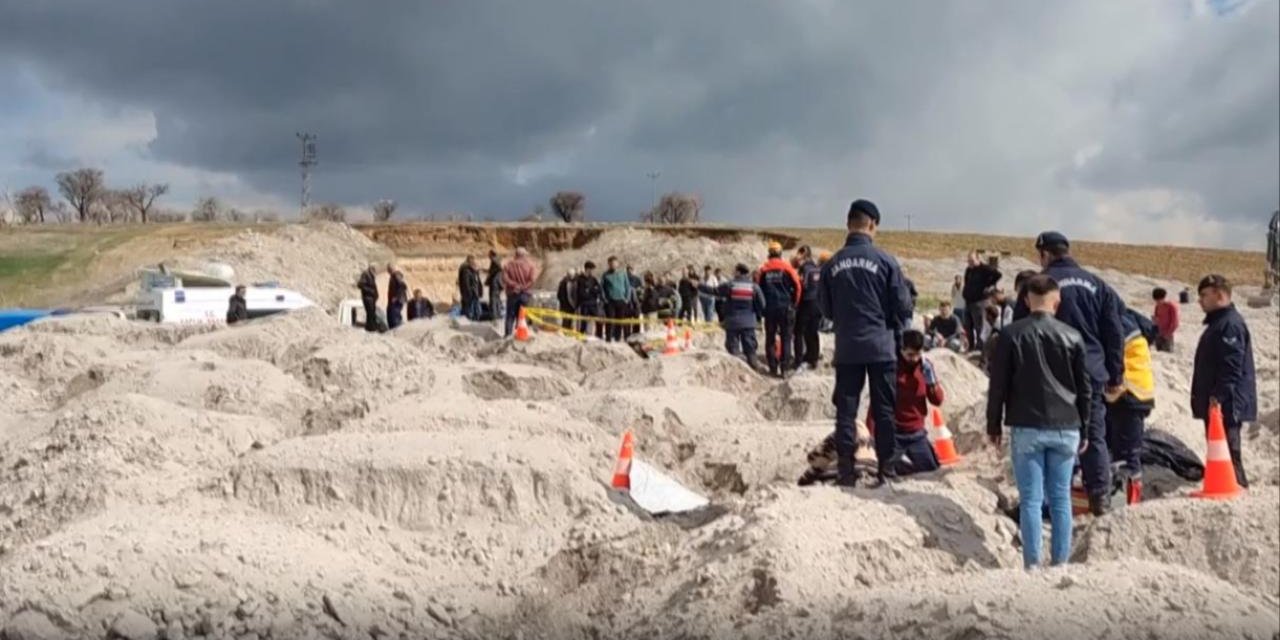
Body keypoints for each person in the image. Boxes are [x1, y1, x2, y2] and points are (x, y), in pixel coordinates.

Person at [1015, 232, 1124, 515]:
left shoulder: (1037, 286)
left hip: (1050, 372)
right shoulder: (1098, 285)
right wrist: (1116, 375)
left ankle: (1045, 502)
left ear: (1044, 255)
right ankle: (1100, 498)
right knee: (1094, 435)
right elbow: (1114, 333)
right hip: (1091, 369)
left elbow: (1018, 330)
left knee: (1047, 435)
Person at [987, 275, 1090, 569]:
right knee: (1061, 499)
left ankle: (1032, 564)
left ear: (1025, 299)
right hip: (1066, 425)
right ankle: (1060, 563)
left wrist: (993, 425)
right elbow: (1085, 389)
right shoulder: (1073, 336)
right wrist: (1087, 425)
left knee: (1031, 499)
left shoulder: (1011, 335)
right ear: (1057, 301)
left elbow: (998, 386)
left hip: (1027, 424)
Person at [819, 199, 913, 486]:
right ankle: (887, 470)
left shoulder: (832, 264)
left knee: (846, 411)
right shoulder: (885, 261)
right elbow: (903, 305)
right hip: (881, 346)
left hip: (848, 346)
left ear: (848, 223)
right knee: (884, 410)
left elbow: (825, 309)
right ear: (872, 225)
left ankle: (846, 471)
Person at [1191, 275, 1256, 488]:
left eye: (1203, 295)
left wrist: (1218, 397)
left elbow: (1231, 366)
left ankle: (1236, 486)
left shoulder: (1229, 325)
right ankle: (1228, 486)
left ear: (1219, 295)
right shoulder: (1219, 324)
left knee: (1229, 449)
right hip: (1219, 401)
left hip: (1227, 402)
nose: (1200, 300)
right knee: (1222, 449)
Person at [1106, 307, 1156, 502]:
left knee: (1125, 456)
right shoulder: (1130, 319)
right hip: (1137, 394)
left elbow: (1113, 360)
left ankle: (1127, 504)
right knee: (1125, 453)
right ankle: (1126, 499)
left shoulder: (1115, 325)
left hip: (1127, 394)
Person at [880, 329, 945, 475]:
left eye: (918, 354)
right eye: (910, 355)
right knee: (883, 469)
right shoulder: (891, 368)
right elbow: (879, 403)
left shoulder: (925, 367)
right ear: (901, 350)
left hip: (916, 433)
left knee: (931, 469)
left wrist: (932, 382)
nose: (914, 359)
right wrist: (872, 434)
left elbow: (937, 401)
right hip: (894, 433)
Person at [701, 263, 765, 370]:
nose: (733, 273)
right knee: (750, 350)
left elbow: (714, 291)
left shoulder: (730, 285)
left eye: (735, 271)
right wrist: (755, 315)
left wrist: (699, 286)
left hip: (732, 322)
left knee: (734, 351)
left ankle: (739, 372)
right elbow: (762, 304)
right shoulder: (754, 286)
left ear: (739, 272)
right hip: (749, 323)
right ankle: (754, 372)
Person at [758, 241, 802, 377]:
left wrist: (762, 308)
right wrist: (794, 304)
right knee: (786, 339)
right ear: (781, 253)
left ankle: (772, 367)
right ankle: (784, 369)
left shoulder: (763, 270)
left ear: (769, 254)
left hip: (770, 309)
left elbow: (758, 290)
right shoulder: (787, 268)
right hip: (786, 308)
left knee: (770, 338)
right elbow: (798, 287)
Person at [962, 252, 1002, 350]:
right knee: (968, 325)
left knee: (979, 325)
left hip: (979, 301)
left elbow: (998, 275)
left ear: (978, 259)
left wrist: (988, 285)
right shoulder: (969, 270)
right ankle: (970, 346)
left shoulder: (984, 268)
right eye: (969, 261)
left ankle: (980, 348)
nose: (970, 263)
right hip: (968, 301)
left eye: (972, 261)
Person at [793, 246, 822, 371]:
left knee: (799, 331)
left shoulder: (804, 269)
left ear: (804, 255)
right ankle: (813, 357)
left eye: (799, 254)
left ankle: (798, 360)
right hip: (818, 304)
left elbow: (801, 286)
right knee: (812, 331)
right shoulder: (817, 269)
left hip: (806, 302)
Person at [501, 247, 538, 338]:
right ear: (524, 255)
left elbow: (505, 279)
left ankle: (508, 336)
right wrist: (523, 287)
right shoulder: (530, 265)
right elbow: (532, 280)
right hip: (525, 294)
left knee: (510, 316)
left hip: (512, 294)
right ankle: (520, 335)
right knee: (522, 317)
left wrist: (515, 285)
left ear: (516, 255)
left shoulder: (508, 265)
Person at [601, 256, 633, 342]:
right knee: (610, 321)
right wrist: (605, 300)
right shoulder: (605, 275)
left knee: (620, 321)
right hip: (610, 301)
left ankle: (617, 338)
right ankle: (608, 338)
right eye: (611, 264)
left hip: (621, 300)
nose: (613, 265)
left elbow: (628, 286)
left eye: (615, 263)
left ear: (617, 264)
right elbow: (602, 288)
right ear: (609, 264)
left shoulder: (623, 273)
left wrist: (627, 298)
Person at [575, 262, 605, 339]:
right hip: (584, 304)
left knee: (599, 321)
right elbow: (581, 293)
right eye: (592, 269)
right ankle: (580, 337)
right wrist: (590, 291)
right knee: (583, 323)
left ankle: (599, 336)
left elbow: (598, 289)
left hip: (593, 304)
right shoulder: (580, 279)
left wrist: (590, 290)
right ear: (587, 269)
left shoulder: (593, 279)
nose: (593, 271)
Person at [1152, 287, 1179, 352]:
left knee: (1167, 352)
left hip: (1167, 335)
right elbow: (1156, 319)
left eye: (1159, 300)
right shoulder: (1157, 306)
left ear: (1163, 298)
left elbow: (1175, 322)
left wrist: (1168, 334)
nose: (1157, 302)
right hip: (1158, 334)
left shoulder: (1171, 306)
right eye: (1156, 300)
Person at [457, 256, 483, 322]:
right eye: (473, 262)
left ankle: (474, 320)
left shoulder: (474, 272)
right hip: (470, 294)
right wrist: (470, 292)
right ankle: (468, 320)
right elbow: (466, 284)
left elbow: (478, 282)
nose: (475, 264)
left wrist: (480, 291)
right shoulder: (467, 271)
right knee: (469, 309)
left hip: (474, 293)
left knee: (476, 310)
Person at [357, 264, 380, 332]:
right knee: (370, 314)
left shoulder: (371, 275)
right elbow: (360, 285)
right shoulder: (365, 274)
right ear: (371, 268)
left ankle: (371, 328)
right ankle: (371, 329)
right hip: (368, 297)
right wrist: (371, 291)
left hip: (371, 298)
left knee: (372, 314)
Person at [386, 266, 408, 330]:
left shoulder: (396, 275)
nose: (388, 271)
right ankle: (393, 329)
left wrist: (396, 297)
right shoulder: (393, 276)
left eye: (389, 269)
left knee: (395, 314)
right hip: (394, 299)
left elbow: (403, 286)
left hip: (397, 300)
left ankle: (396, 329)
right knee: (391, 313)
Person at [487, 250, 504, 325]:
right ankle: (498, 314)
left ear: (491, 254)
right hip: (499, 282)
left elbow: (498, 267)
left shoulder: (494, 260)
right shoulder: (498, 259)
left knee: (493, 299)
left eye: (489, 255)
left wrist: (491, 273)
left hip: (495, 283)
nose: (488, 256)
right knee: (497, 298)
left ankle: (494, 316)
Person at [626, 265, 644, 338]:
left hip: (636, 303)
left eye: (631, 270)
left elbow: (641, 291)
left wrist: (639, 300)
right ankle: (627, 335)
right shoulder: (625, 279)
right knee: (627, 321)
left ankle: (636, 335)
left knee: (636, 320)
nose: (630, 271)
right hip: (627, 303)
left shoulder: (637, 279)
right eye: (628, 270)